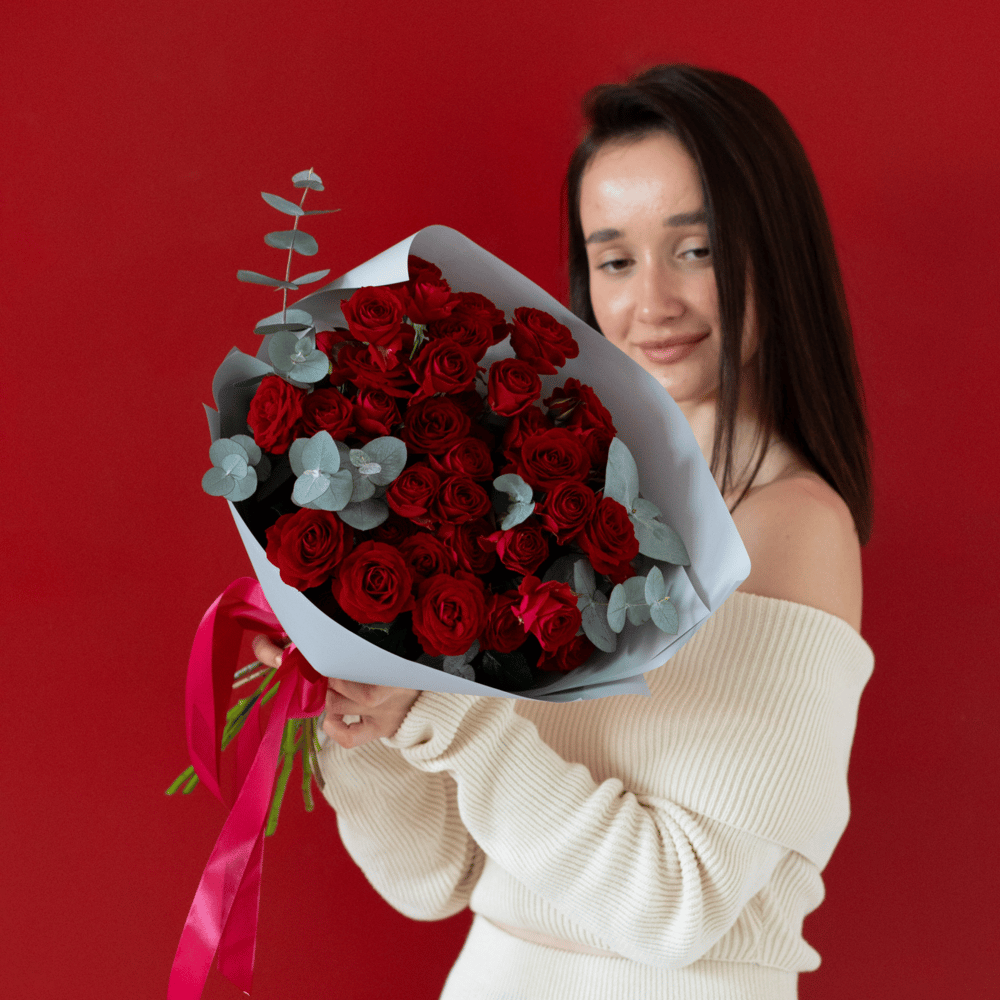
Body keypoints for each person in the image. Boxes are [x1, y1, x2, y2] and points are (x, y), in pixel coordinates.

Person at [254, 64, 874, 999]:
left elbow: (679, 906)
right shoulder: (561, 499)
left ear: (774, 254)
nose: (651, 302)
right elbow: (434, 877)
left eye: (696, 250)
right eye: (615, 260)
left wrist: (445, 713)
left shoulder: (792, 526)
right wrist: (362, 698)